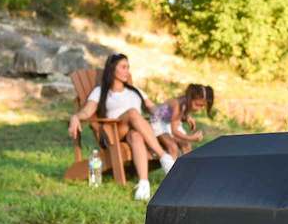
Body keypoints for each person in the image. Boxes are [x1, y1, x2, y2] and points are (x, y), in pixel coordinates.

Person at [68, 53, 174, 201]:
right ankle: (164, 157)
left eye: (128, 68)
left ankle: (143, 184)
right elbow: (87, 111)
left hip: (136, 132)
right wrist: (75, 116)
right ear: (112, 69)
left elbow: (153, 108)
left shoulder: (135, 91)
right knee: (133, 113)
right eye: (123, 67)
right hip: (113, 133)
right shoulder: (101, 91)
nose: (127, 71)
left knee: (135, 136)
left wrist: (173, 113)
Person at [152, 83, 213, 157]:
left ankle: (188, 167)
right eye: (197, 105)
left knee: (186, 145)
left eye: (202, 106)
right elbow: (174, 131)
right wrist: (191, 138)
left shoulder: (186, 102)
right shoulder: (178, 105)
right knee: (173, 147)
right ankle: (172, 167)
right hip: (159, 123)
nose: (198, 109)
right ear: (190, 98)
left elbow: (175, 116)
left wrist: (186, 117)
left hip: (169, 122)